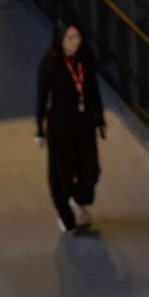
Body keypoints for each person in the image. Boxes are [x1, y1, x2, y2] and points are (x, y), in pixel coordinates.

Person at [34, 16, 107, 234]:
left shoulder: (86, 56)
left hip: (84, 122)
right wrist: (40, 129)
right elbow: (41, 97)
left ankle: (80, 199)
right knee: (61, 174)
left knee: (90, 170)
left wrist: (100, 118)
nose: (74, 42)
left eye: (77, 37)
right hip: (60, 125)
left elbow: (93, 88)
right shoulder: (49, 63)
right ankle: (66, 216)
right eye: (70, 37)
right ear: (60, 39)